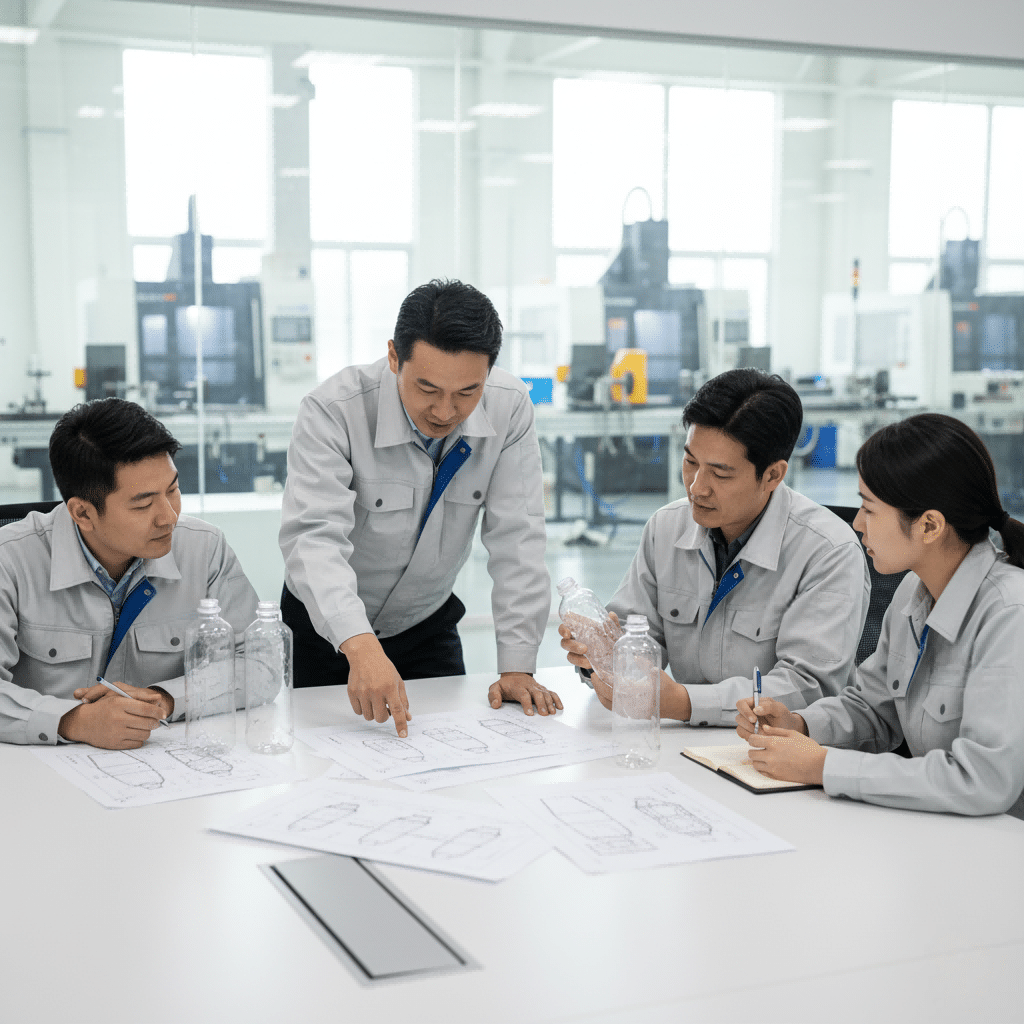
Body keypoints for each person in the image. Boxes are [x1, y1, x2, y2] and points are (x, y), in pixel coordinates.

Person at [280, 279, 558, 738]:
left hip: (425, 623)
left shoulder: (510, 408)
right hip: (326, 631)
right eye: (427, 387)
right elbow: (313, 539)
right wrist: (361, 646)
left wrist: (518, 666)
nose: (445, 411)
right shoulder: (334, 411)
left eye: (468, 391)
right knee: (320, 765)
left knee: (447, 761)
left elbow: (519, 539)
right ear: (394, 357)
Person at [737, 413, 1024, 818]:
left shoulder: (1009, 614)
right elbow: (874, 709)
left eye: (869, 509)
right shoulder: (914, 591)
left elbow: (982, 779)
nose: (856, 524)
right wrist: (800, 725)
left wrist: (823, 767)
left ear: (929, 526)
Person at [560, 368, 869, 726]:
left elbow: (808, 687)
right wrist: (601, 659)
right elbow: (638, 639)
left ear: (773, 475)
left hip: (774, 753)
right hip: (685, 748)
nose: (697, 488)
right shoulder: (666, 527)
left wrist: (682, 702)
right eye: (691, 462)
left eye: (720, 474)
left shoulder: (828, 552)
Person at [0, 399, 259, 748]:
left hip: (162, 768)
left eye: (173, 490)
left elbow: (261, 664)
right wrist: (71, 721)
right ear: (83, 513)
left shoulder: (204, 549)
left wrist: (164, 700)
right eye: (143, 504)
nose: (169, 516)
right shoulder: (10, 561)